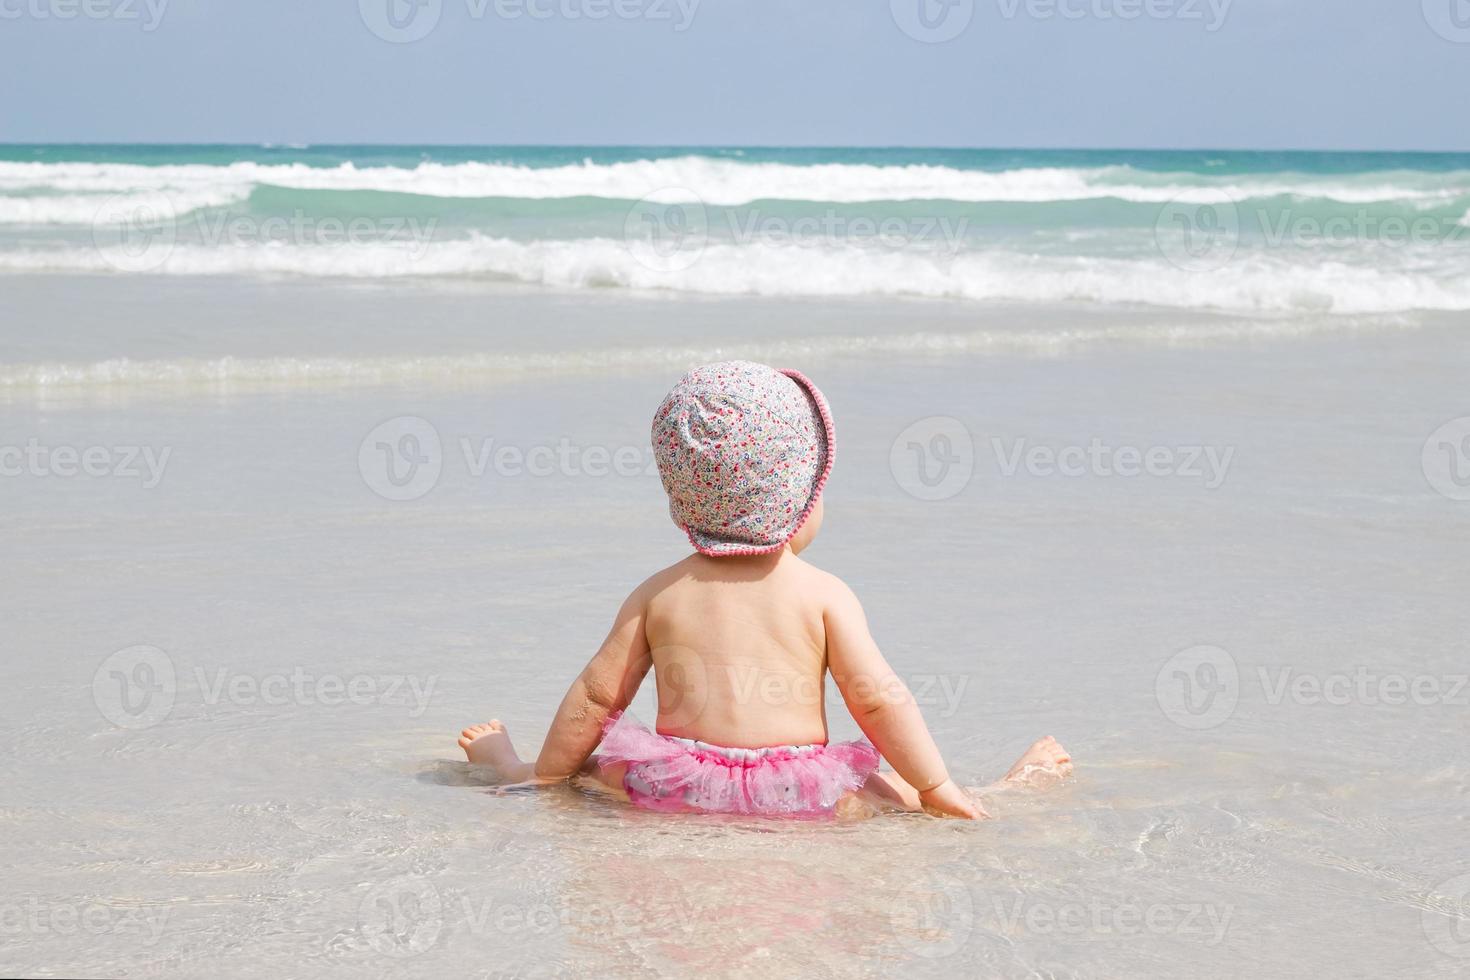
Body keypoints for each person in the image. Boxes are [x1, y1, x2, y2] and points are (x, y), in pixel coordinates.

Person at [458, 360, 1071, 818]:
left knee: (590, 770)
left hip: (679, 784)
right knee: (897, 791)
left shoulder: (660, 592)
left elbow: (597, 697)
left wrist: (552, 776)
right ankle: (1000, 792)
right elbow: (878, 700)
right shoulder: (825, 594)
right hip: (800, 790)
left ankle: (516, 771)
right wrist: (936, 788)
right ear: (801, 501)